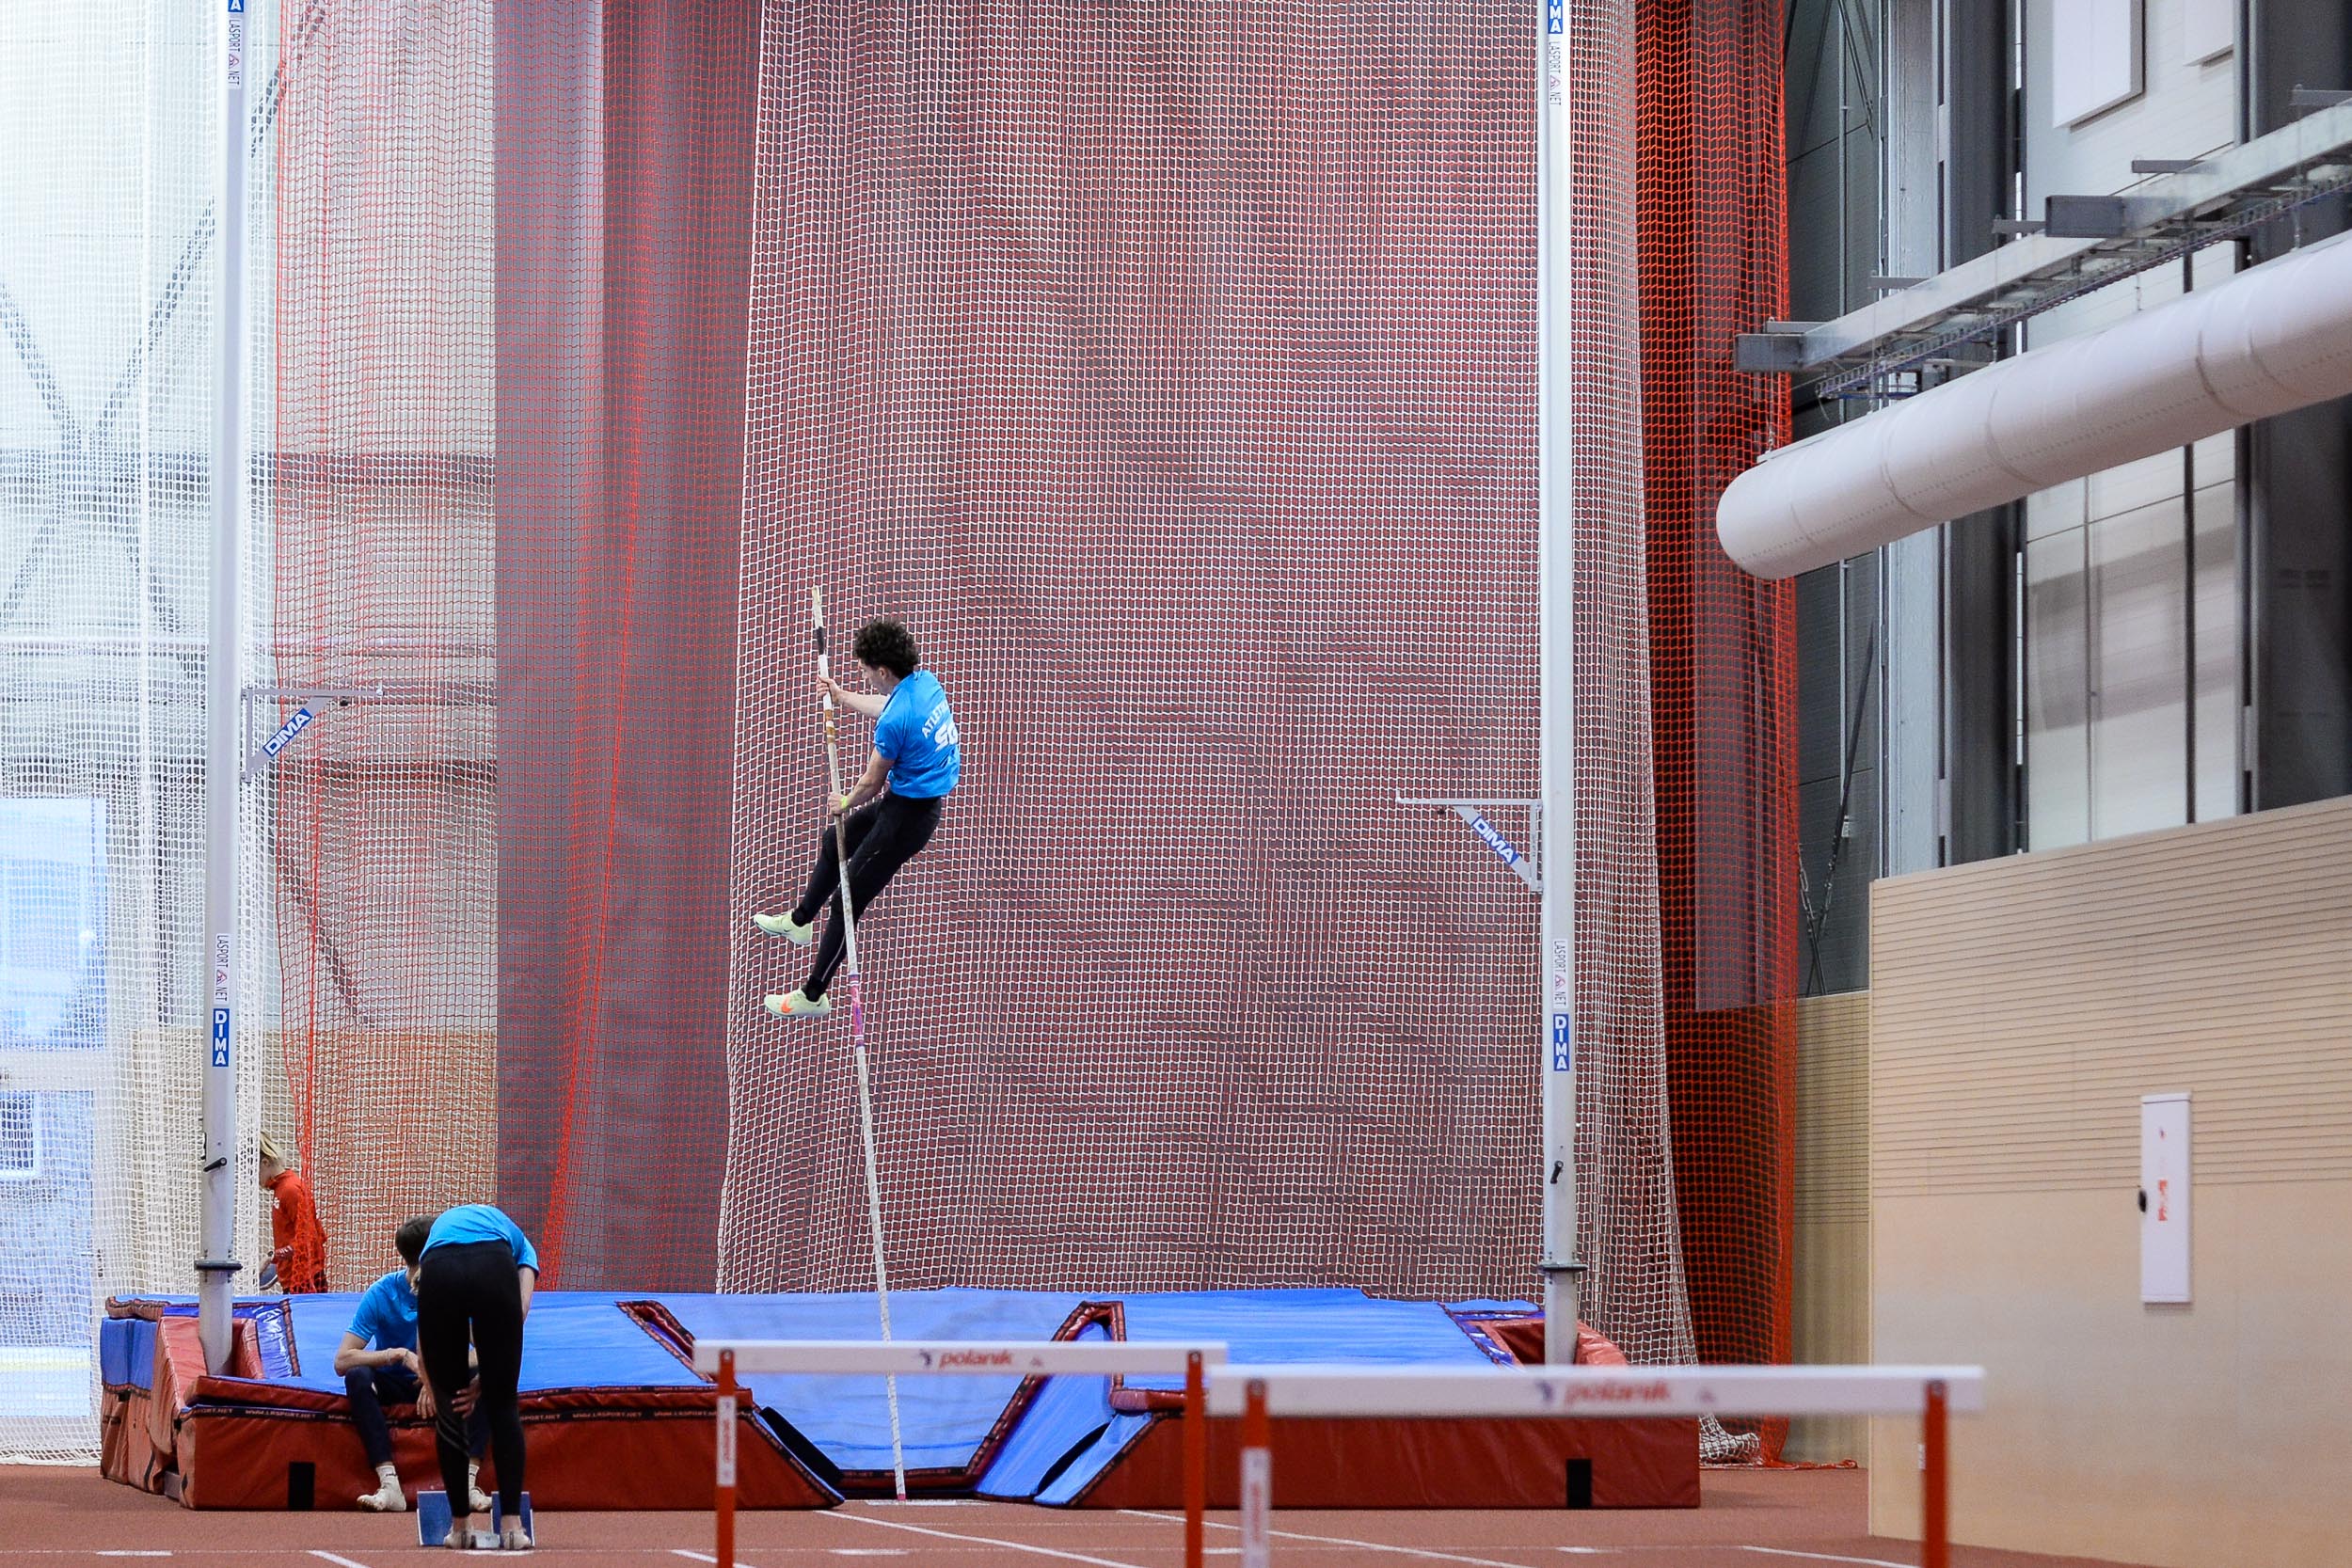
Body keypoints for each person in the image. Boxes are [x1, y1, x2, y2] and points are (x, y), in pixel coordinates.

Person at [756, 617, 960, 1018]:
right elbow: (889, 706)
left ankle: (814, 996)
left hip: (909, 819)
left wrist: (843, 801)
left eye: (865, 670)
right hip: (905, 802)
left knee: (846, 900)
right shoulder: (923, 684)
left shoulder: (894, 723)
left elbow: (870, 781)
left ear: (882, 670)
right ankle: (799, 922)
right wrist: (842, 695)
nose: (864, 676)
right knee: (837, 841)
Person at [334, 1216, 494, 1514]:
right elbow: (342, 1359)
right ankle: (389, 1483)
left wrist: (435, 1373)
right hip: (395, 1382)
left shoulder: (457, 1292)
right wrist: (396, 1354)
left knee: (486, 1376)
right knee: (357, 1375)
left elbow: (490, 1351)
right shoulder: (382, 1293)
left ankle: (468, 1481)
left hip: (444, 1384)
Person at [416, 1204, 538, 1551]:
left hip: (439, 1269)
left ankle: (460, 1528)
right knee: (503, 1404)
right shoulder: (522, 1248)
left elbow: (423, 1337)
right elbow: (519, 1312)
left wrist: (432, 1382)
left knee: (450, 1407)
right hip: (492, 1266)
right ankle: (512, 1527)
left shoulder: (438, 1238)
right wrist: (490, 1377)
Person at [257, 1131, 328, 1293]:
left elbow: (310, 1240)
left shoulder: (290, 1189)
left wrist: (273, 1256)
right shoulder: (280, 1188)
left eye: (255, 1173)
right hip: (293, 1278)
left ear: (266, 1163)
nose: (255, 1180)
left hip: (305, 1280)